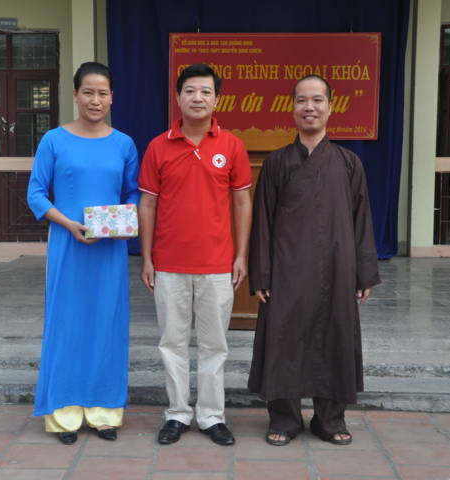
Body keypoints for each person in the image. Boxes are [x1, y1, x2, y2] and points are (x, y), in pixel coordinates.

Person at [247, 75, 380, 447]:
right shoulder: (277, 163)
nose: (310, 107)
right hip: (287, 268)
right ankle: (285, 418)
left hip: (337, 267)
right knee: (284, 338)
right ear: (292, 108)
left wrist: (363, 272)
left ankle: (330, 418)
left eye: (318, 100)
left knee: (335, 337)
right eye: (302, 100)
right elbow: (263, 222)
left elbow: (362, 219)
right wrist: (262, 274)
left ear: (330, 107)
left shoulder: (348, 162)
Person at [138, 64, 252, 446]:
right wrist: (147, 257)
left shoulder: (232, 146)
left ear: (217, 99)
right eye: (190, 91)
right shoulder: (158, 146)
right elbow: (148, 205)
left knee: (214, 345)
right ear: (178, 97)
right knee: (171, 343)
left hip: (217, 264)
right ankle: (177, 413)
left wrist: (241, 255)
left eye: (205, 91)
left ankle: (211, 416)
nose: (198, 98)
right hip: (168, 264)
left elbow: (242, 202)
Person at [27, 62, 140, 445]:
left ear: (112, 98)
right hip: (68, 246)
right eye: (88, 92)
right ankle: (64, 413)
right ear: (75, 95)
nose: (95, 100)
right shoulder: (53, 141)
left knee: (107, 324)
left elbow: (132, 191)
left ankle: (104, 412)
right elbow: (36, 194)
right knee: (67, 324)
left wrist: (122, 219)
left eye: (102, 93)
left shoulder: (123, 144)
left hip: (109, 249)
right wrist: (68, 223)